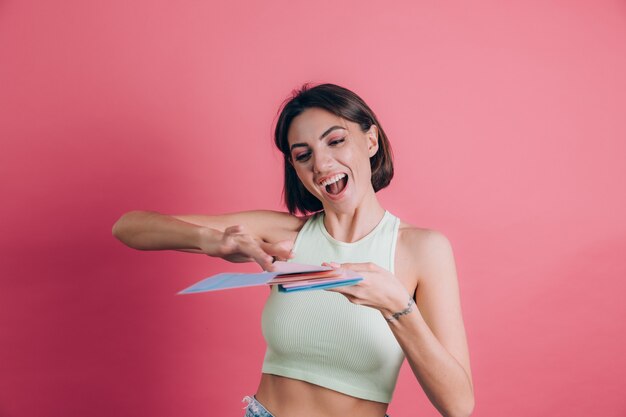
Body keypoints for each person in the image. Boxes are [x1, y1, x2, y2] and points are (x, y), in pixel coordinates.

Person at [112, 83, 474, 417]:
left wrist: (398, 307)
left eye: (335, 141)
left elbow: (458, 405)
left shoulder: (421, 249)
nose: (321, 164)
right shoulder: (285, 238)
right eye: (304, 155)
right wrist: (211, 241)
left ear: (371, 141)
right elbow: (129, 227)